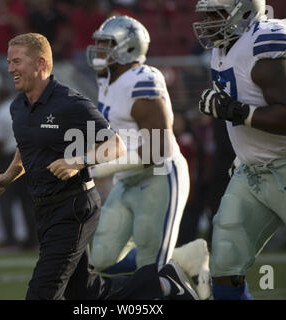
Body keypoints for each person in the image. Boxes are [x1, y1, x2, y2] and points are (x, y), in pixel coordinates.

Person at [0, 32, 198, 300]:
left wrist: (77, 161)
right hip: (43, 210)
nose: (10, 69)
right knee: (86, 293)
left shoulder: (70, 103)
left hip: (73, 208)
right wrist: (8, 176)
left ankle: (161, 282)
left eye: (16, 62)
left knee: (42, 293)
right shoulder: (17, 106)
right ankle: (160, 284)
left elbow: (116, 145)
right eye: (9, 62)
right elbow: (27, 146)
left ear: (40, 63)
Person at [86, 15, 210, 299]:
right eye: (100, 44)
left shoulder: (144, 79)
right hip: (127, 179)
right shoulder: (107, 78)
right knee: (102, 259)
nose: (99, 50)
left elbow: (156, 150)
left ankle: (175, 286)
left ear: (128, 48)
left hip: (159, 177)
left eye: (106, 45)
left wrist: (93, 170)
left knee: (149, 269)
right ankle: (186, 257)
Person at [193, 0, 286, 300]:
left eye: (217, 13)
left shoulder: (263, 42)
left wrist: (237, 112)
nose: (208, 20)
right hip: (251, 172)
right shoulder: (222, 46)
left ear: (246, 11)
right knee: (223, 263)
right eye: (206, 13)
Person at [0, 95, 37, 249]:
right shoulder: (31, 108)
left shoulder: (1, 111)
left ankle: (10, 240)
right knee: (29, 202)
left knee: (6, 202)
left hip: (9, 158)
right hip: (30, 157)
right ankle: (33, 240)